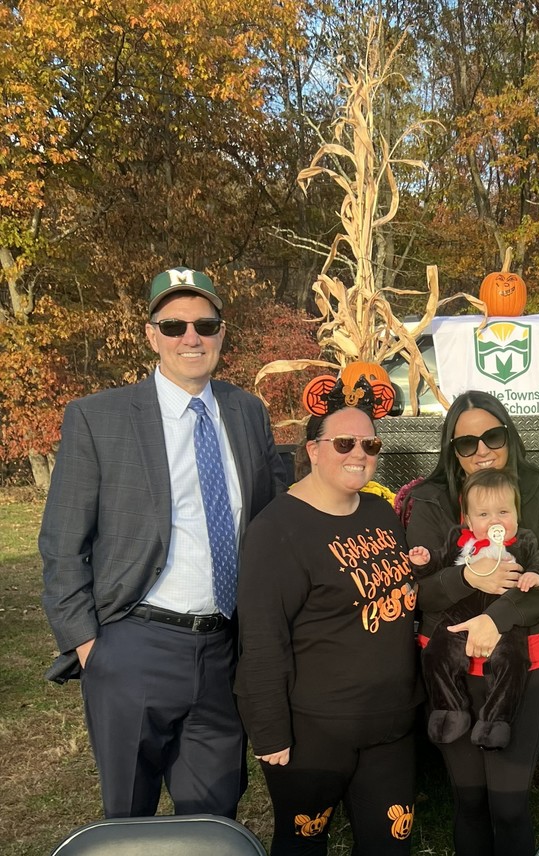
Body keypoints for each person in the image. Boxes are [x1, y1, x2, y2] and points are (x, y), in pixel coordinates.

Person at [39, 266, 288, 818]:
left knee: (214, 811)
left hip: (225, 647)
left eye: (205, 324)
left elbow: (276, 513)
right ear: (151, 335)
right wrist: (88, 644)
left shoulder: (247, 411)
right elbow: (61, 543)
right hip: (135, 643)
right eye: (173, 327)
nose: (191, 337)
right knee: (130, 817)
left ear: (222, 332)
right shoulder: (98, 418)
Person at [235, 386, 421, 856]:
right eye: (344, 443)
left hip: (391, 724)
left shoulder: (380, 512)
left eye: (370, 445)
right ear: (314, 451)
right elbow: (262, 637)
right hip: (315, 731)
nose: (359, 453)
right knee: (302, 845)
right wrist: (271, 730)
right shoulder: (277, 530)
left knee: (391, 846)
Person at [403, 391, 539, 856]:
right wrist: (468, 576)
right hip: (450, 664)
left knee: (509, 804)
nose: (482, 450)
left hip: (522, 661)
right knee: (470, 799)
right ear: (451, 451)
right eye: (466, 443)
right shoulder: (431, 499)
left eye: (492, 436)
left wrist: (495, 621)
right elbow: (422, 589)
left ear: (509, 435)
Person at [409, 467, 539, 750]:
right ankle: (450, 708)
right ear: (468, 519)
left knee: (512, 660)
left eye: (503, 512)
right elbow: (439, 564)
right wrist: (423, 561)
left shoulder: (524, 540)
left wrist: (535, 575)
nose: (494, 521)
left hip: (504, 616)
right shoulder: (458, 539)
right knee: (436, 653)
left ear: (516, 513)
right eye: (484, 515)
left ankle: (496, 721)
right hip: (461, 611)